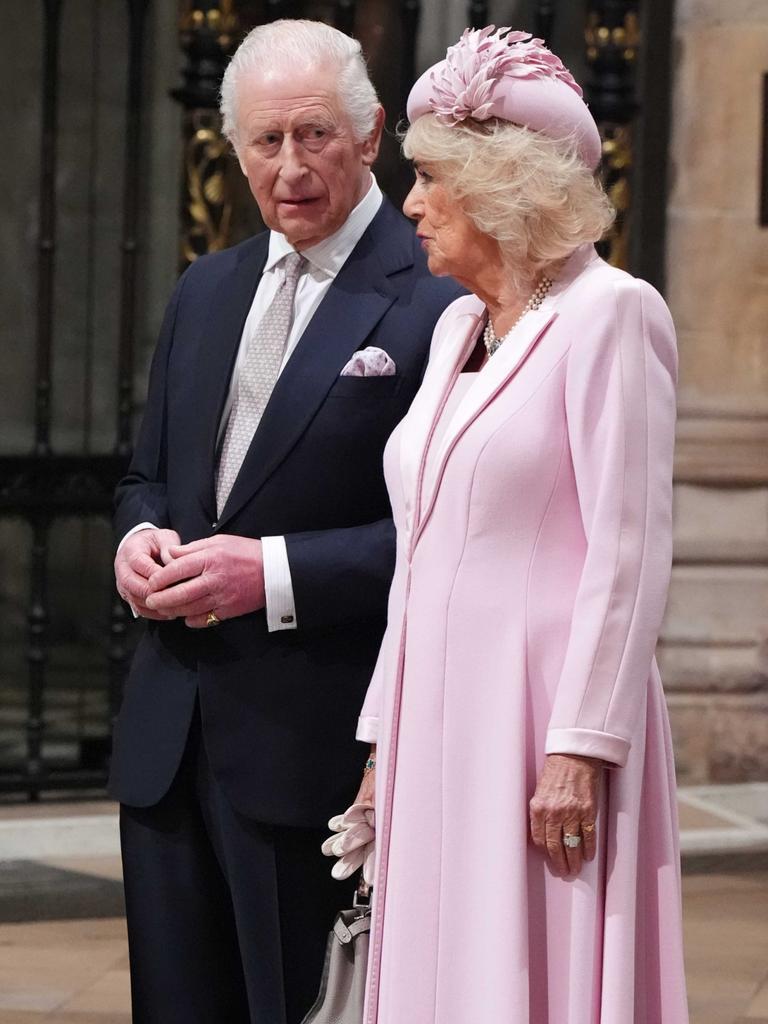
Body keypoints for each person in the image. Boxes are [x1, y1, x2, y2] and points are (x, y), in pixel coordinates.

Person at [109, 18, 463, 1024]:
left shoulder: (438, 298)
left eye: (315, 135)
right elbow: (146, 478)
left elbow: (449, 540)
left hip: (316, 752)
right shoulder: (204, 289)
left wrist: (269, 574)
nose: (292, 166)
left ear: (370, 134)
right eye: (267, 141)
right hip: (167, 745)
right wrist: (137, 540)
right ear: (236, 149)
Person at [351, 27, 689, 1024]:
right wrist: (380, 737)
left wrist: (580, 744)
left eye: (430, 180)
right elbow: (419, 548)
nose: (409, 204)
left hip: (540, 716)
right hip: (435, 712)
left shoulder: (611, 314)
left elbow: (627, 549)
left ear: (501, 187)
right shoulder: (459, 327)